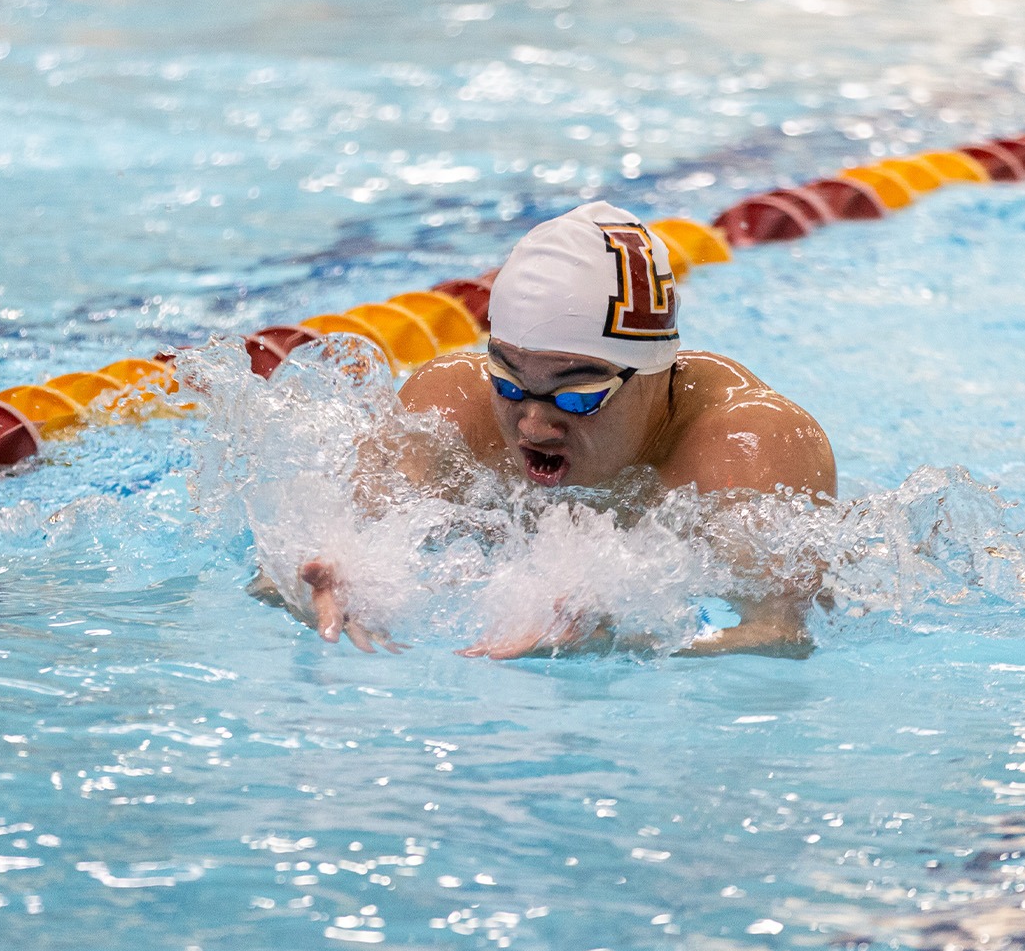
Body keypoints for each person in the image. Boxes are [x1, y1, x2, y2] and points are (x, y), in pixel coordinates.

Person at [286, 201, 837, 658]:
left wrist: (613, 639)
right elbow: (337, 556)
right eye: (508, 383)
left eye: (577, 395)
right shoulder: (450, 407)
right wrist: (316, 585)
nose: (533, 424)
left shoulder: (748, 449)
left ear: (654, 372)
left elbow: (777, 637)